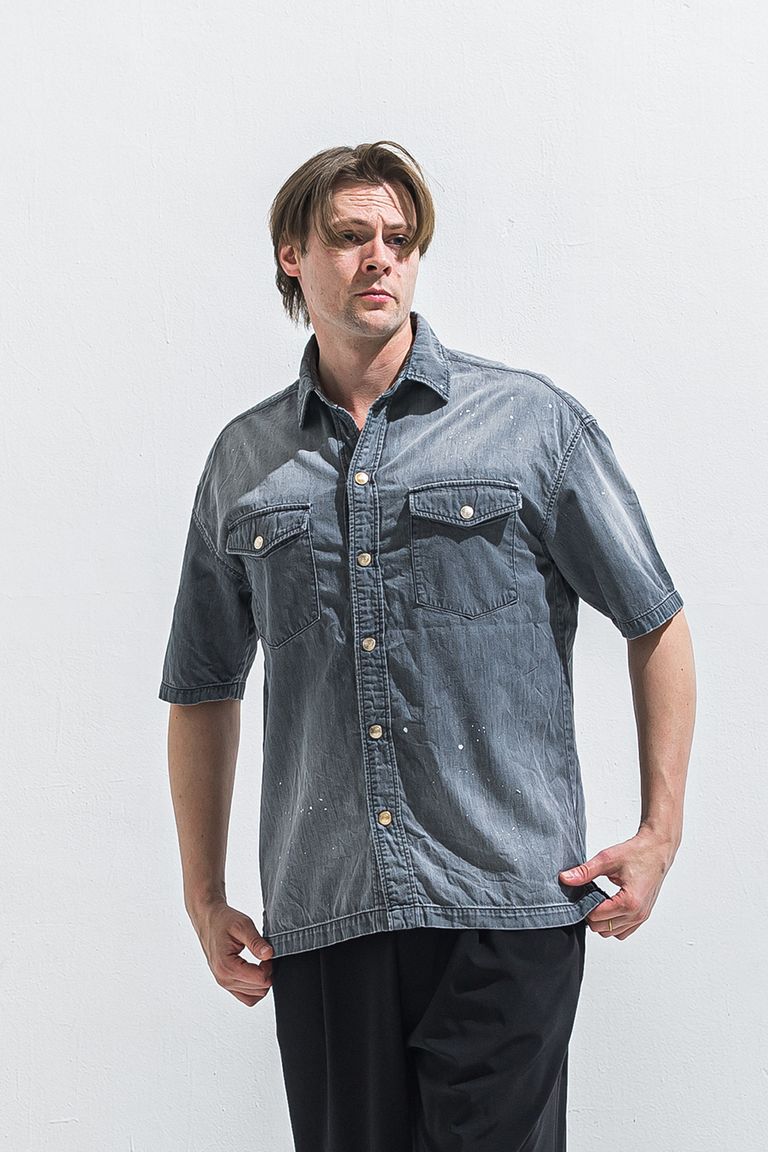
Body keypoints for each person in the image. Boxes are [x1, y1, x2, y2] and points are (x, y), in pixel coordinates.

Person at [159, 140, 696, 1151]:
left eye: (399, 240)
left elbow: (654, 618)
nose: (380, 258)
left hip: (506, 906)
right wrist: (204, 896)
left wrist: (660, 831)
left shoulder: (528, 426)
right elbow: (200, 686)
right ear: (291, 256)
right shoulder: (245, 461)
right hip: (328, 913)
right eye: (351, 236)